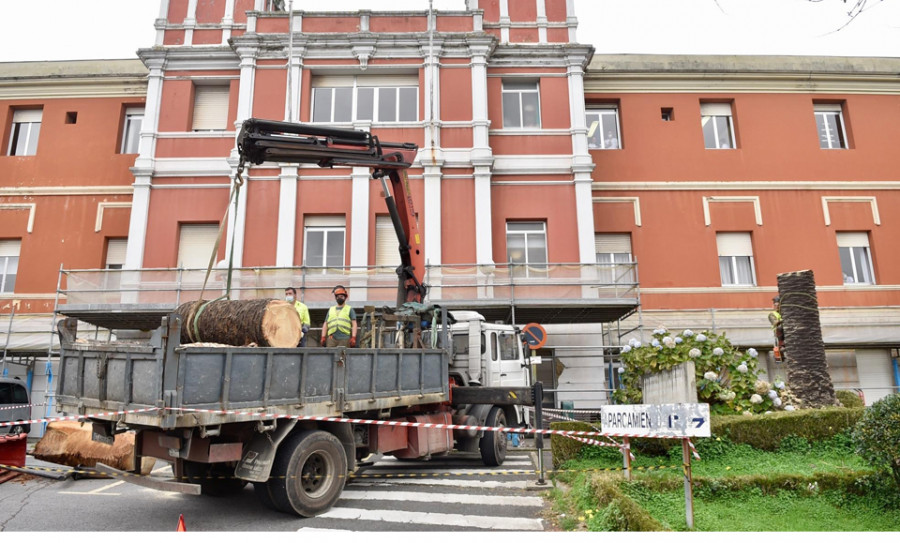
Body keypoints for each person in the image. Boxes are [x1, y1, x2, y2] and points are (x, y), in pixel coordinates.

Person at [768, 295, 786, 361]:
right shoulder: (772, 314)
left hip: (786, 329)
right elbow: (774, 322)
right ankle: (781, 346)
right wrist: (782, 320)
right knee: (780, 328)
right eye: (775, 305)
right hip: (778, 332)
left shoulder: (785, 313)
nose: (776, 306)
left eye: (778, 305)